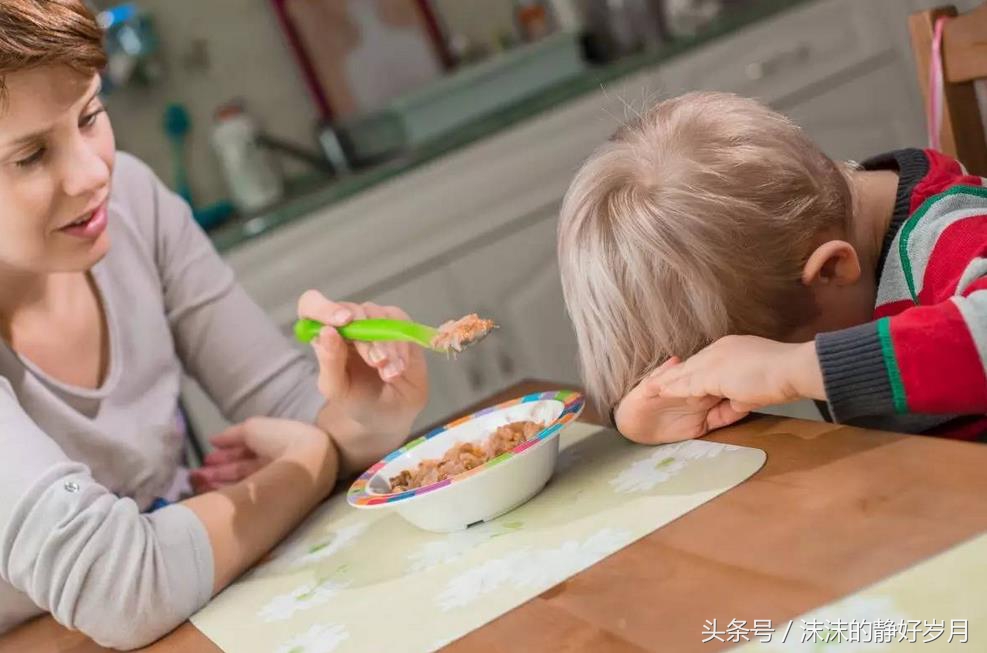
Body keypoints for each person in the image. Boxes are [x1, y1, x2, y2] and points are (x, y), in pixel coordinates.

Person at [0, 1, 428, 647]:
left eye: (90, 115)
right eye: (30, 155)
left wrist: (361, 414)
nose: (92, 173)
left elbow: (297, 411)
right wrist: (308, 461)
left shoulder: (132, 203)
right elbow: (125, 589)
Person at [557, 91, 987, 445]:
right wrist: (641, 412)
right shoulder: (791, 244)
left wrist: (790, 368)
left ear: (832, 270)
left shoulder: (954, 233)